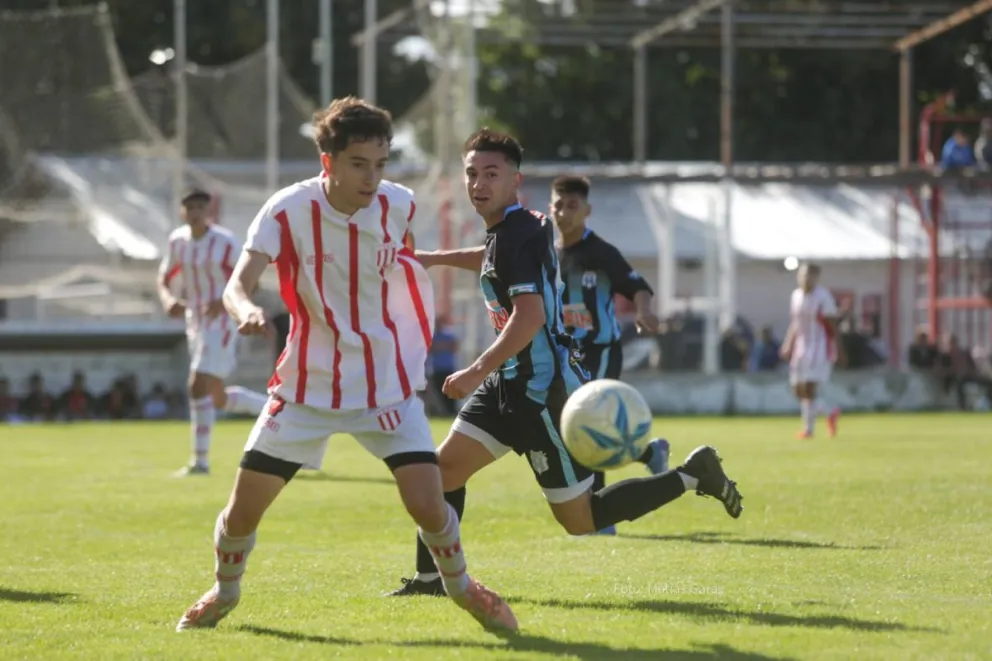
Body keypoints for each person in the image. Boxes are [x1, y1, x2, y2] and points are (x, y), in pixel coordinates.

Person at [176, 97, 517, 635]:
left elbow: (399, 269)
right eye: (360, 164)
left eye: (381, 164)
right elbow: (239, 282)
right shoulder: (287, 209)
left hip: (386, 384)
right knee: (242, 513)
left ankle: (463, 588)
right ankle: (224, 590)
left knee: (428, 507)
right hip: (306, 387)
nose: (372, 178)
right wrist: (243, 311)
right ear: (327, 159)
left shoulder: (398, 205)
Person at [387, 128, 743, 597]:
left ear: (516, 180)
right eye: (472, 174)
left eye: (491, 174)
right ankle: (432, 579)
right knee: (442, 471)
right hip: (508, 384)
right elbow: (493, 260)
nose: (479, 183)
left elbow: (529, 317)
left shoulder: (519, 233)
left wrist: (474, 370)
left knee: (581, 520)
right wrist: (435, 258)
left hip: (542, 393)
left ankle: (693, 474)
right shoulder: (514, 229)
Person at [549, 174, 669, 536]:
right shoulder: (548, 254)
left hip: (600, 351)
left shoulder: (600, 252)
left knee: (586, 419)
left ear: (587, 210)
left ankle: (599, 515)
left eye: (572, 206)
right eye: (558, 204)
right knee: (569, 426)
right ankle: (649, 454)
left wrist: (644, 311)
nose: (564, 212)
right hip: (566, 355)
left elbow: (637, 287)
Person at [158, 188, 269, 475]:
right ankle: (278, 413)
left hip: (222, 322)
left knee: (197, 384)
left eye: (199, 206)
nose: (194, 212)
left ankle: (200, 461)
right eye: (189, 207)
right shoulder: (177, 241)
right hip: (195, 322)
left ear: (208, 210)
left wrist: (224, 301)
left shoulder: (225, 242)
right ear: (182, 211)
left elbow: (250, 280)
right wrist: (169, 299)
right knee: (216, 397)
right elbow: (164, 277)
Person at [780, 263, 844, 439]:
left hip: (819, 346)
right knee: (798, 389)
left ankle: (808, 430)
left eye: (810, 275)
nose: (806, 278)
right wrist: (788, 343)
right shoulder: (796, 296)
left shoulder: (823, 297)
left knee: (810, 387)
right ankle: (829, 411)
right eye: (803, 275)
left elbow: (832, 325)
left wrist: (838, 348)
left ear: (816, 277)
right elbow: (795, 323)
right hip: (801, 346)